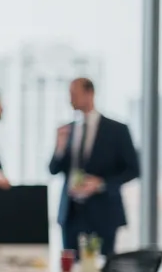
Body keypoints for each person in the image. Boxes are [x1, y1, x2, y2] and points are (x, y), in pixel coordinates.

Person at [48, 78, 139, 261]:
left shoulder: (117, 130)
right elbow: (53, 169)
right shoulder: (67, 130)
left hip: (103, 212)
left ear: (90, 93)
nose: (70, 99)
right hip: (72, 214)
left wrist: (101, 184)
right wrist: (59, 148)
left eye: (74, 94)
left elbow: (133, 169)